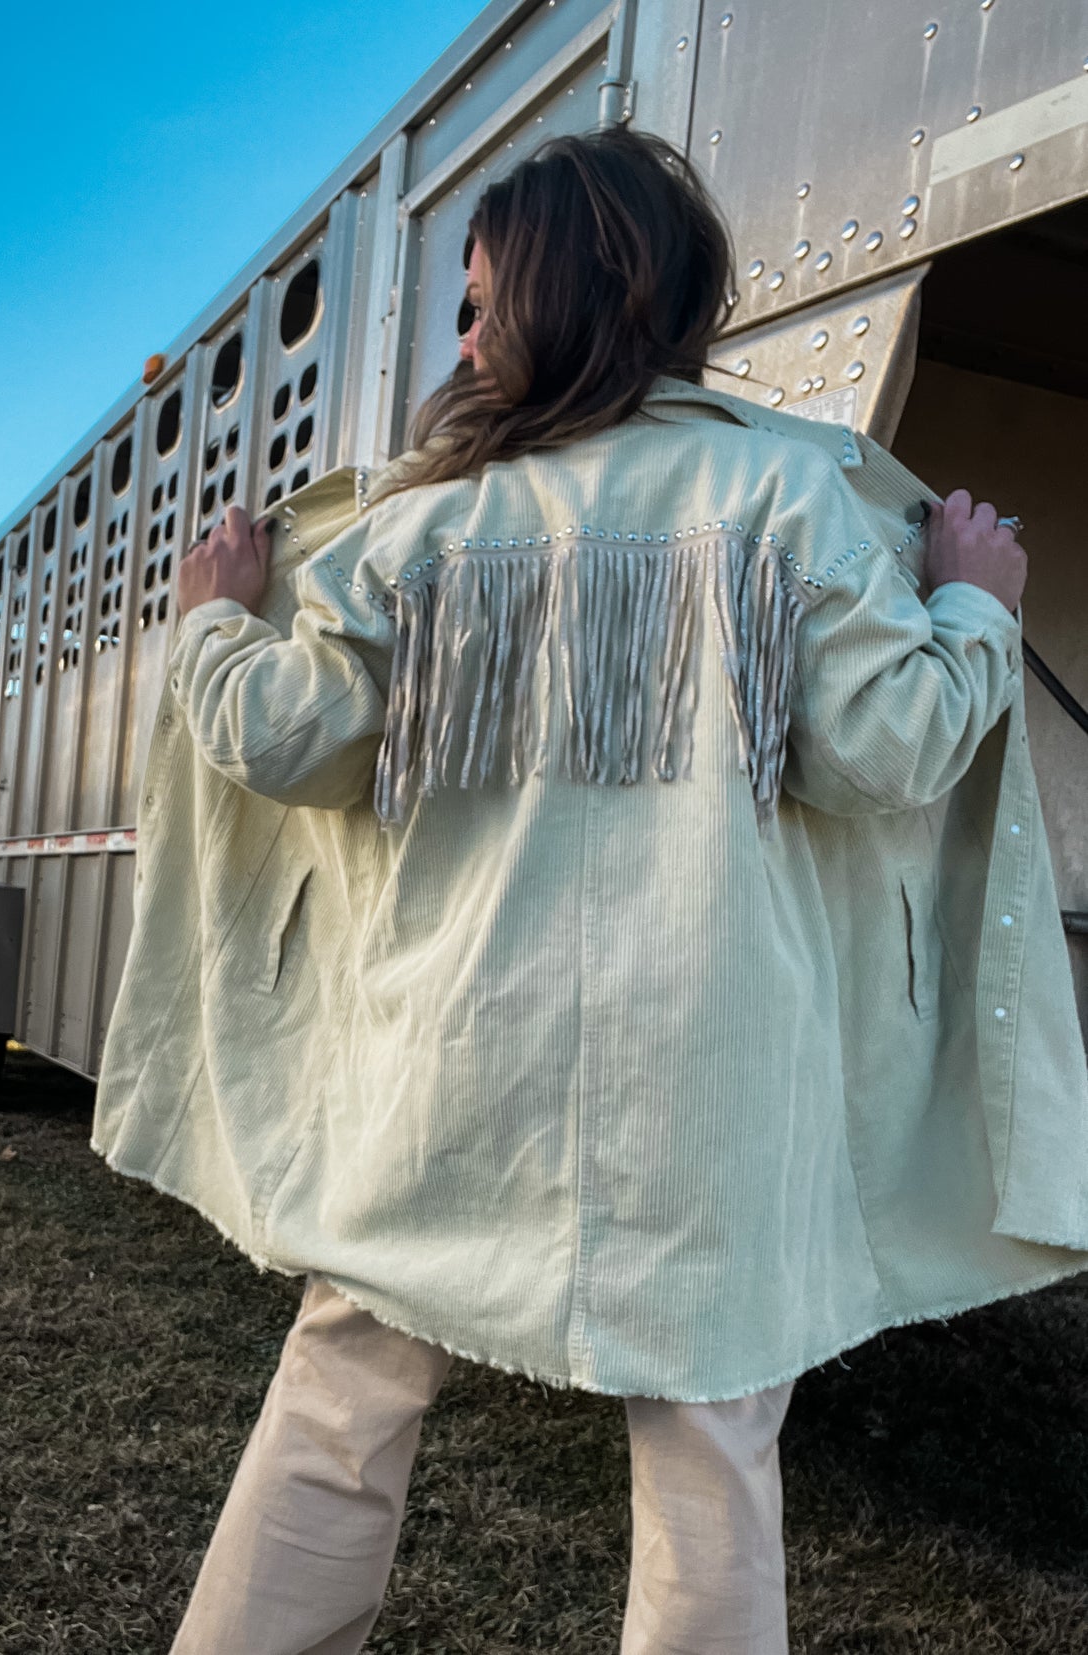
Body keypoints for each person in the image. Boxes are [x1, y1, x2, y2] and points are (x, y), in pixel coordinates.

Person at [91, 128, 1088, 1653]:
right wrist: (966, 597)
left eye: (481, 299)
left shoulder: (415, 531)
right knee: (709, 1451)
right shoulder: (784, 500)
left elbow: (281, 744)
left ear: (567, 296)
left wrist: (218, 624)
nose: (467, 335)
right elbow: (890, 754)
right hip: (713, 1075)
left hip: (443, 1052)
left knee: (341, 1396)